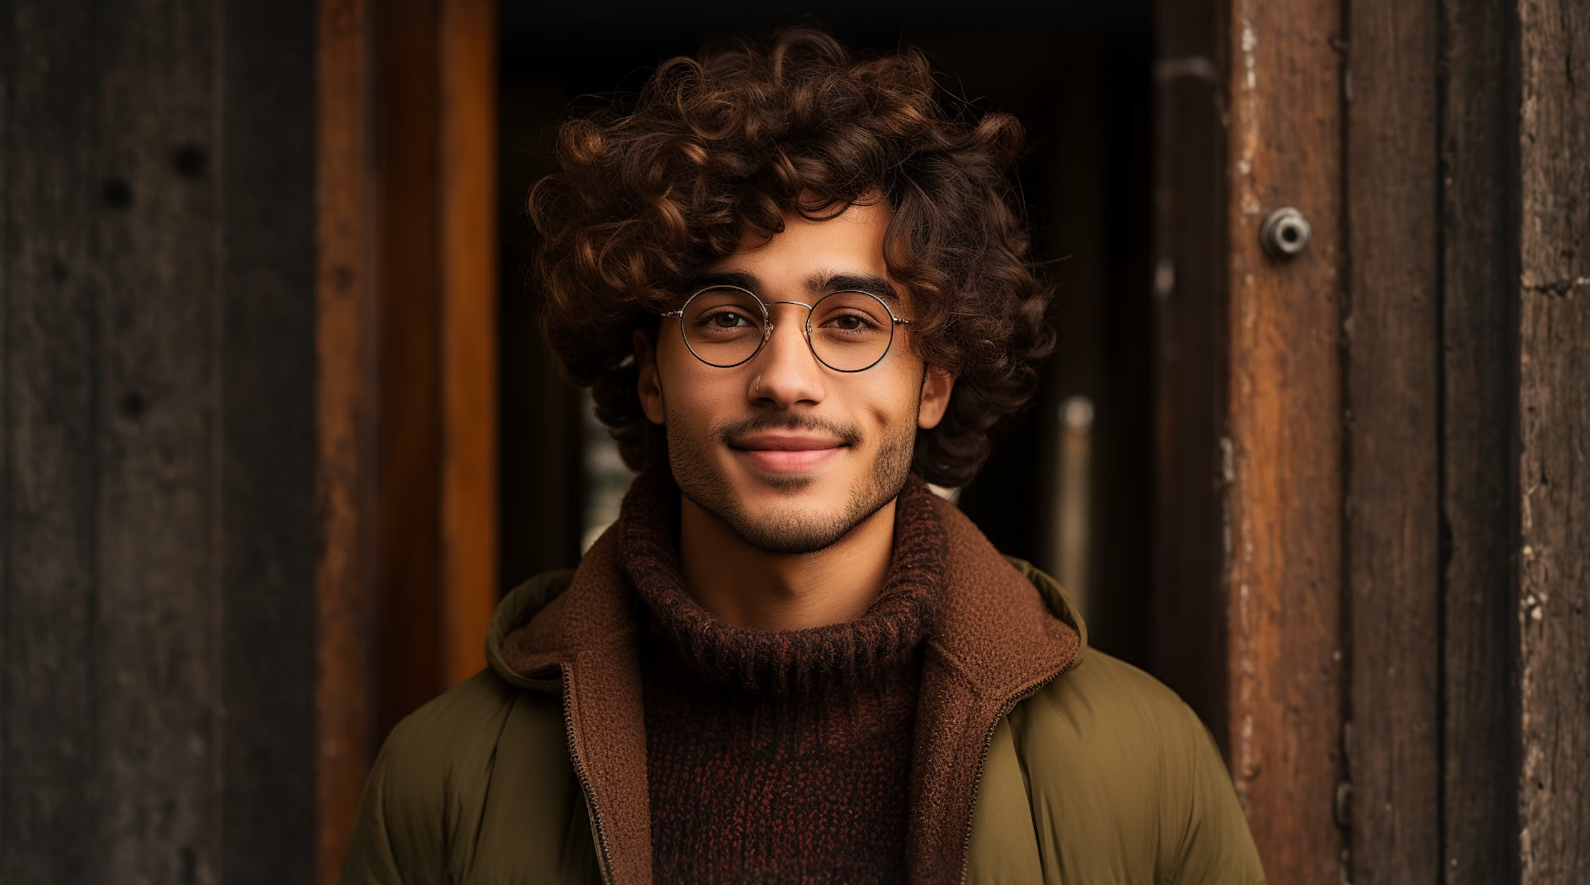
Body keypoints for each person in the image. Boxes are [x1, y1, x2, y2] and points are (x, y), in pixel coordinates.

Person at [342, 28, 1265, 885]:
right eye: (727, 318)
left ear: (933, 380)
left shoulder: (1150, 770)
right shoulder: (442, 779)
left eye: (853, 322)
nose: (787, 377)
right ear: (650, 376)